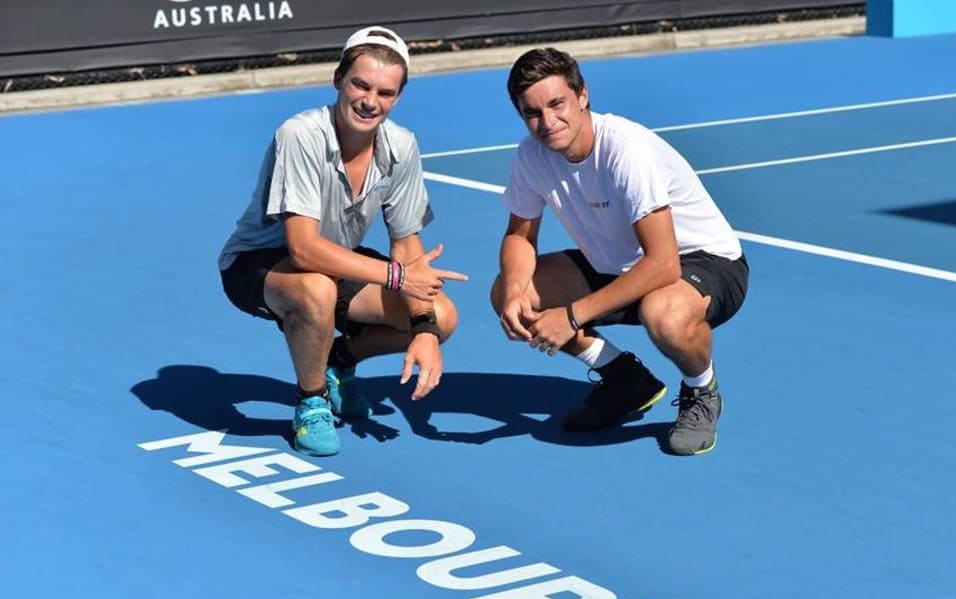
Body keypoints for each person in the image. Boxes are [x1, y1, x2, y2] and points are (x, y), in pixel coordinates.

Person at [219, 26, 467, 457]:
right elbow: (303, 249)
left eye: (386, 93)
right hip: (257, 265)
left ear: (398, 98)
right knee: (316, 288)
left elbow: (407, 245)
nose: (371, 101)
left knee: (442, 316)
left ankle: (338, 360)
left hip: (337, 265)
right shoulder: (299, 134)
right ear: (339, 80)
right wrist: (396, 277)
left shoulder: (402, 146)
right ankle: (311, 399)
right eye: (361, 85)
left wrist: (423, 327)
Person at [491, 47, 748, 455]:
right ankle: (624, 378)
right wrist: (515, 292)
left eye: (557, 103)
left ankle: (702, 389)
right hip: (616, 265)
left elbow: (663, 264)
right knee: (512, 291)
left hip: (702, 262)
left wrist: (571, 317)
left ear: (582, 96)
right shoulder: (530, 155)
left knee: (663, 314)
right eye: (532, 113)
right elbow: (520, 236)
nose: (547, 121)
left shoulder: (626, 149)